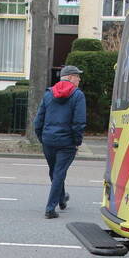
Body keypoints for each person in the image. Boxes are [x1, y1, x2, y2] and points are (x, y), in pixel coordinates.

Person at [33, 64, 86, 219]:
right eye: (77, 76)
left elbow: (38, 121)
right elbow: (79, 122)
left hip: (49, 140)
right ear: (70, 77)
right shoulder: (78, 95)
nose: (79, 79)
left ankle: (61, 199)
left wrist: (42, 138)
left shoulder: (49, 94)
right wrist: (77, 141)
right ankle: (50, 208)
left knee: (55, 172)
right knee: (59, 173)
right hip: (67, 142)